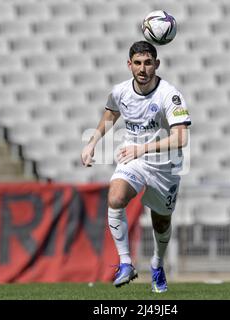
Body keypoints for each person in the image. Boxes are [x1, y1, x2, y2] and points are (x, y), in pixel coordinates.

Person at [81, 40, 191, 293]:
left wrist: (141, 149)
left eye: (148, 63)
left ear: (157, 64)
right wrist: (92, 143)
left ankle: (157, 263)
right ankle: (126, 263)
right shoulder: (120, 91)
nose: (143, 69)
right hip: (135, 160)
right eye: (138, 63)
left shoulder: (169, 95)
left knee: (160, 222)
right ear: (129, 65)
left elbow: (181, 138)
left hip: (166, 167)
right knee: (116, 197)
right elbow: (110, 115)